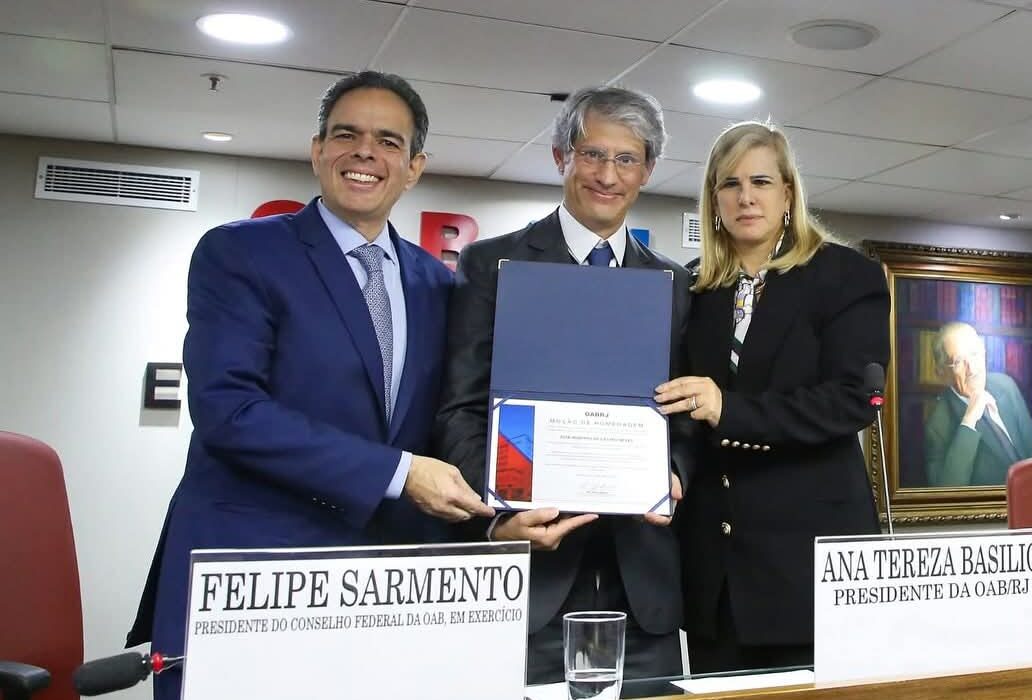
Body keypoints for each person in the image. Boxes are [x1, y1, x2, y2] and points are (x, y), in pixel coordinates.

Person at [126, 71, 493, 700]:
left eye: (388, 141)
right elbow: (229, 411)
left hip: (382, 586)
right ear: (317, 150)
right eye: (346, 135)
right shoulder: (241, 253)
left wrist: (505, 512)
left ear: (414, 167)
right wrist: (400, 472)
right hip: (250, 573)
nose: (364, 153)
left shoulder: (438, 285)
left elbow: (453, 418)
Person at [434, 86, 694, 683]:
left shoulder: (674, 283)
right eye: (592, 154)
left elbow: (683, 413)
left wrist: (675, 471)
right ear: (561, 157)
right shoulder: (492, 265)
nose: (607, 175)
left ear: (648, 170)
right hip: (531, 587)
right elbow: (461, 409)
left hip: (643, 587)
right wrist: (497, 516)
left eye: (626, 159)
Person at [654, 121, 890, 672]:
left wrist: (729, 409)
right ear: (714, 200)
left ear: (788, 193)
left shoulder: (845, 275)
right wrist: (666, 468)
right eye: (730, 184)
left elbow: (853, 400)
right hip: (715, 568)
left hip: (808, 563)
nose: (746, 197)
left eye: (760, 181)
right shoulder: (696, 287)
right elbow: (677, 405)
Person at [924, 321, 1032, 487]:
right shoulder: (937, 427)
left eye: (974, 354)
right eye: (958, 361)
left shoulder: (1006, 385)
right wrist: (969, 421)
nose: (972, 368)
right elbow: (947, 492)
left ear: (984, 352)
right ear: (942, 373)